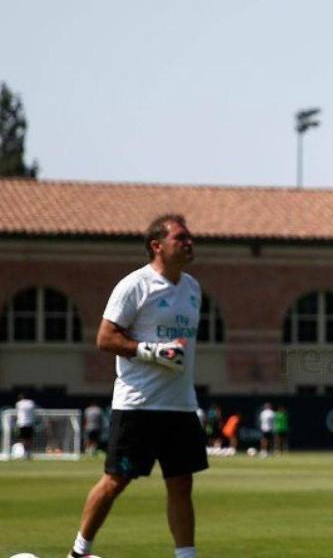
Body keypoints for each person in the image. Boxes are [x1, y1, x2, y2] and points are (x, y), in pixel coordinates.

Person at [66, 214, 207, 558]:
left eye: (190, 238)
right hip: (139, 406)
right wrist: (152, 351)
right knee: (116, 480)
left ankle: (186, 556)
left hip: (181, 405)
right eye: (181, 238)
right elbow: (105, 338)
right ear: (156, 246)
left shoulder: (192, 288)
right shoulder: (134, 285)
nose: (189, 243)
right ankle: (79, 551)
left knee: (181, 484)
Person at [15, 392, 36, 459]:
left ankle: (25, 452)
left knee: (23, 439)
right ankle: (28, 452)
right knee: (29, 439)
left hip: (22, 423)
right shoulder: (31, 403)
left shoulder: (19, 404)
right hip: (29, 423)